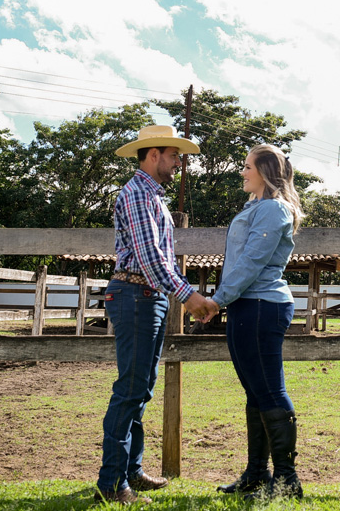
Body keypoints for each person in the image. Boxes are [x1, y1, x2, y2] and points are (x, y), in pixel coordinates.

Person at [97, 125, 219, 506]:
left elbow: (157, 260)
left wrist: (176, 295)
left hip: (145, 296)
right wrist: (189, 295)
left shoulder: (151, 196)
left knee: (141, 387)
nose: (179, 163)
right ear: (153, 155)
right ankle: (111, 482)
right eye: (174, 155)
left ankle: (130, 471)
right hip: (135, 295)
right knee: (130, 389)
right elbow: (151, 258)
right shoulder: (136, 195)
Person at [211, 143, 305, 499]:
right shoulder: (257, 207)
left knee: (269, 391)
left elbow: (250, 263)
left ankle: (285, 481)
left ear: (265, 172)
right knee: (255, 393)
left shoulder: (272, 210)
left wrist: (217, 300)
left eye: (248, 166)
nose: (242, 171)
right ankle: (255, 475)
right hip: (247, 306)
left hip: (262, 306)